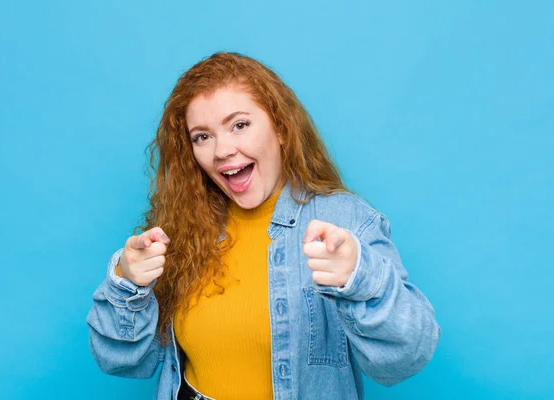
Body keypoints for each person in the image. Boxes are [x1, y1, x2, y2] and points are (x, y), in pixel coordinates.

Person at [86, 52, 441, 400]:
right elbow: (123, 361)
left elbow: (406, 358)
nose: (222, 150)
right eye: (202, 137)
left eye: (239, 125)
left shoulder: (346, 221)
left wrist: (360, 278)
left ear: (282, 129)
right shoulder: (184, 227)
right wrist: (126, 283)